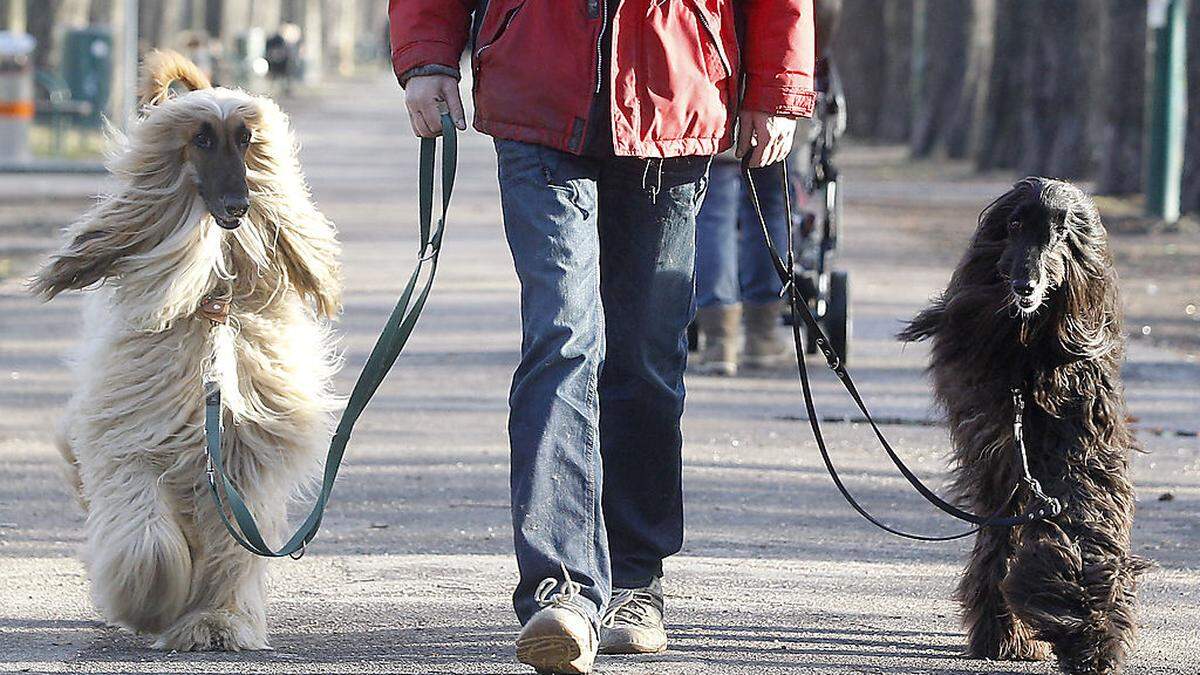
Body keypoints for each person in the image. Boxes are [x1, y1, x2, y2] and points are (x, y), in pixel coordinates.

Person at [389, 2, 814, 673]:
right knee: (563, 336)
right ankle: (559, 591)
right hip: (537, 93)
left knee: (646, 355)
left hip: (673, 94)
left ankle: (635, 580)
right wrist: (428, 56)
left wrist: (777, 88)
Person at [692, 0, 842, 377]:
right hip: (775, 87)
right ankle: (761, 330)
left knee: (714, 208)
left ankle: (718, 339)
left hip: (713, 81)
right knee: (772, 204)